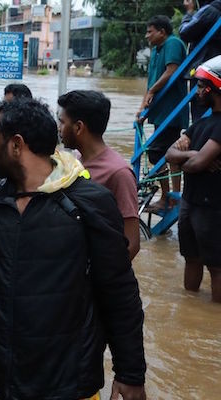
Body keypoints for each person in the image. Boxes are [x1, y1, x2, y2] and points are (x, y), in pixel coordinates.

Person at [0, 98, 146, 400]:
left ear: (16, 145)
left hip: (66, 384)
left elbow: (119, 293)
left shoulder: (87, 203)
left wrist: (130, 373)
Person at [58, 90, 141, 260]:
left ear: (79, 127)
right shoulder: (75, 160)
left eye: (62, 122)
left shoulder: (118, 173)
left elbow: (132, 243)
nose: (59, 129)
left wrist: (102, 277)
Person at [166, 55, 221, 303]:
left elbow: (195, 164)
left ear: (213, 89)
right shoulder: (201, 124)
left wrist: (189, 160)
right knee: (191, 258)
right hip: (191, 202)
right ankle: (191, 308)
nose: (197, 92)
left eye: (200, 86)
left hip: (212, 207)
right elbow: (170, 155)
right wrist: (193, 155)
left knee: (217, 266)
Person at [138, 15, 189, 211]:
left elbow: (172, 71)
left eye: (150, 31)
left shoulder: (173, 43)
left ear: (162, 31)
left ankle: (169, 197)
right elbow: (151, 84)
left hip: (171, 112)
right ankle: (169, 197)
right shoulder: (156, 50)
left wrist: (151, 92)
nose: (147, 35)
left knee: (157, 153)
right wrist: (141, 109)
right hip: (160, 113)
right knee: (166, 154)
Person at [179, 0, 221, 122]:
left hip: (205, 71)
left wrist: (189, 12)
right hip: (217, 72)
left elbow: (185, 32)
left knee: (200, 114)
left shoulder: (209, 10)